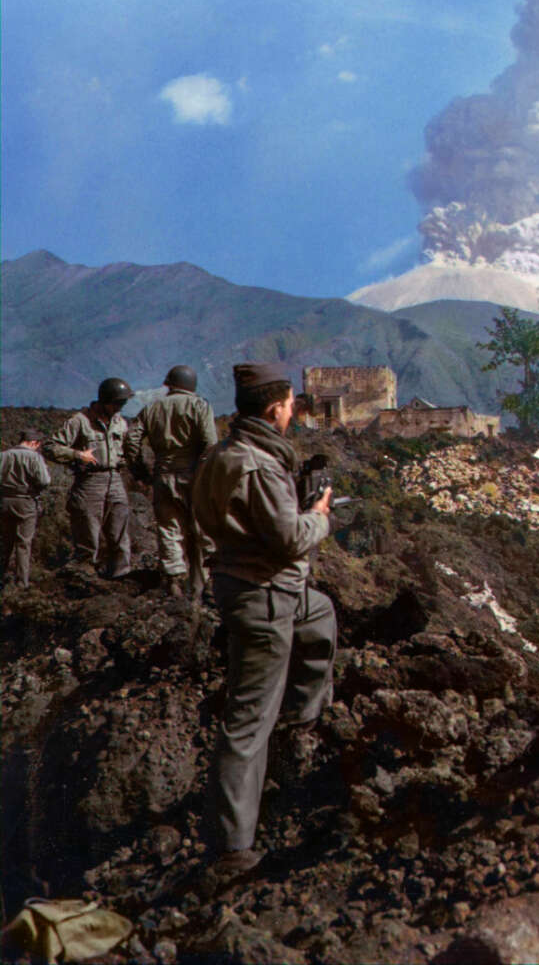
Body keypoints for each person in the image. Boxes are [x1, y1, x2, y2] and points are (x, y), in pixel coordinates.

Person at [192, 362, 337, 884]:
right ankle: (233, 847)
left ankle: (299, 720)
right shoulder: (256, 464)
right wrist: (318, 514)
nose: (294, 413)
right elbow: (287, 538)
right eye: (292, 405)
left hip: (264, 587)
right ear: (276, 408)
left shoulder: (223, 453)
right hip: (264, 594)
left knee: (320, 614)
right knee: (248, 720)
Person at [125, 365, 217, 597]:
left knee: (169, 529)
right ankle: (206, 584)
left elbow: (131, 441)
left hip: (163, 476)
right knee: (203, 530)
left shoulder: (152, 408)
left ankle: (174, 580)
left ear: (170, 384)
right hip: (194, 477)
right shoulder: (199, 406)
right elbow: (210, 443)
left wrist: (141, 472)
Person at [46, 378, 135, 578]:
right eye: (117, 403)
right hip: (90, 482)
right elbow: (50, 447)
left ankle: (121, 578)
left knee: (119, 529)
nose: (120, 407)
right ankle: (85, 579)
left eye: (123, 404)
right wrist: (77, 455)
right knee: (88, 532)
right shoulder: (80, 421)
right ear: (105, 401)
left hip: (115, 479)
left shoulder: (120, 422)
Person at [1, 428, 51, 588]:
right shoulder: (35, 457)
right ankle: (22, 583)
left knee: (4, 542)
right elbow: (44, 480)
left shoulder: (3, 455)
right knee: (23, 544)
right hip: (26, 502)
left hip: (4, 502)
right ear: (34, 442)